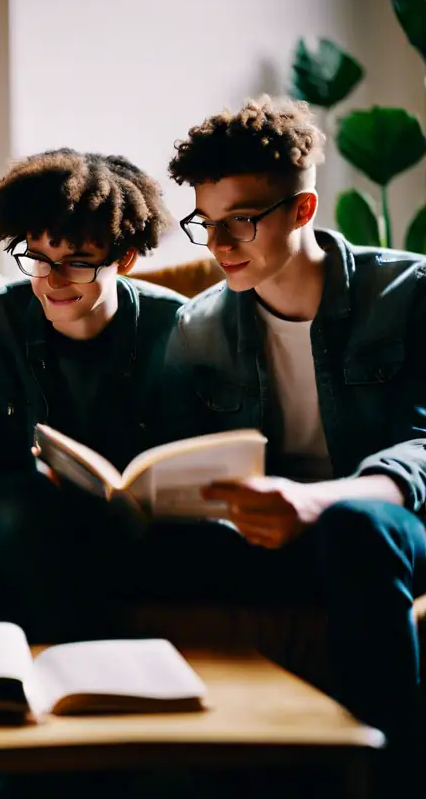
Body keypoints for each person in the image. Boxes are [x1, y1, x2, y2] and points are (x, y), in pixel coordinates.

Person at [163, 95, 426, 754]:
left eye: (241, 220)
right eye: (205, 222)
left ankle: (388, 773)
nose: (218, 245)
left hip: (389, 528)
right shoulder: (198, 326)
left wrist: (316, 501)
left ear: (303, 209)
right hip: (268, 538)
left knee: (354, 528)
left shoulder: (409, 293)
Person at [0, 148, 185, 643]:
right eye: (37, 259)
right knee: (21, 511)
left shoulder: (177, 326)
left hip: (145, 532)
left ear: (124, 258)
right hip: (28, 526)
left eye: (77, 263)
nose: (52, 281)